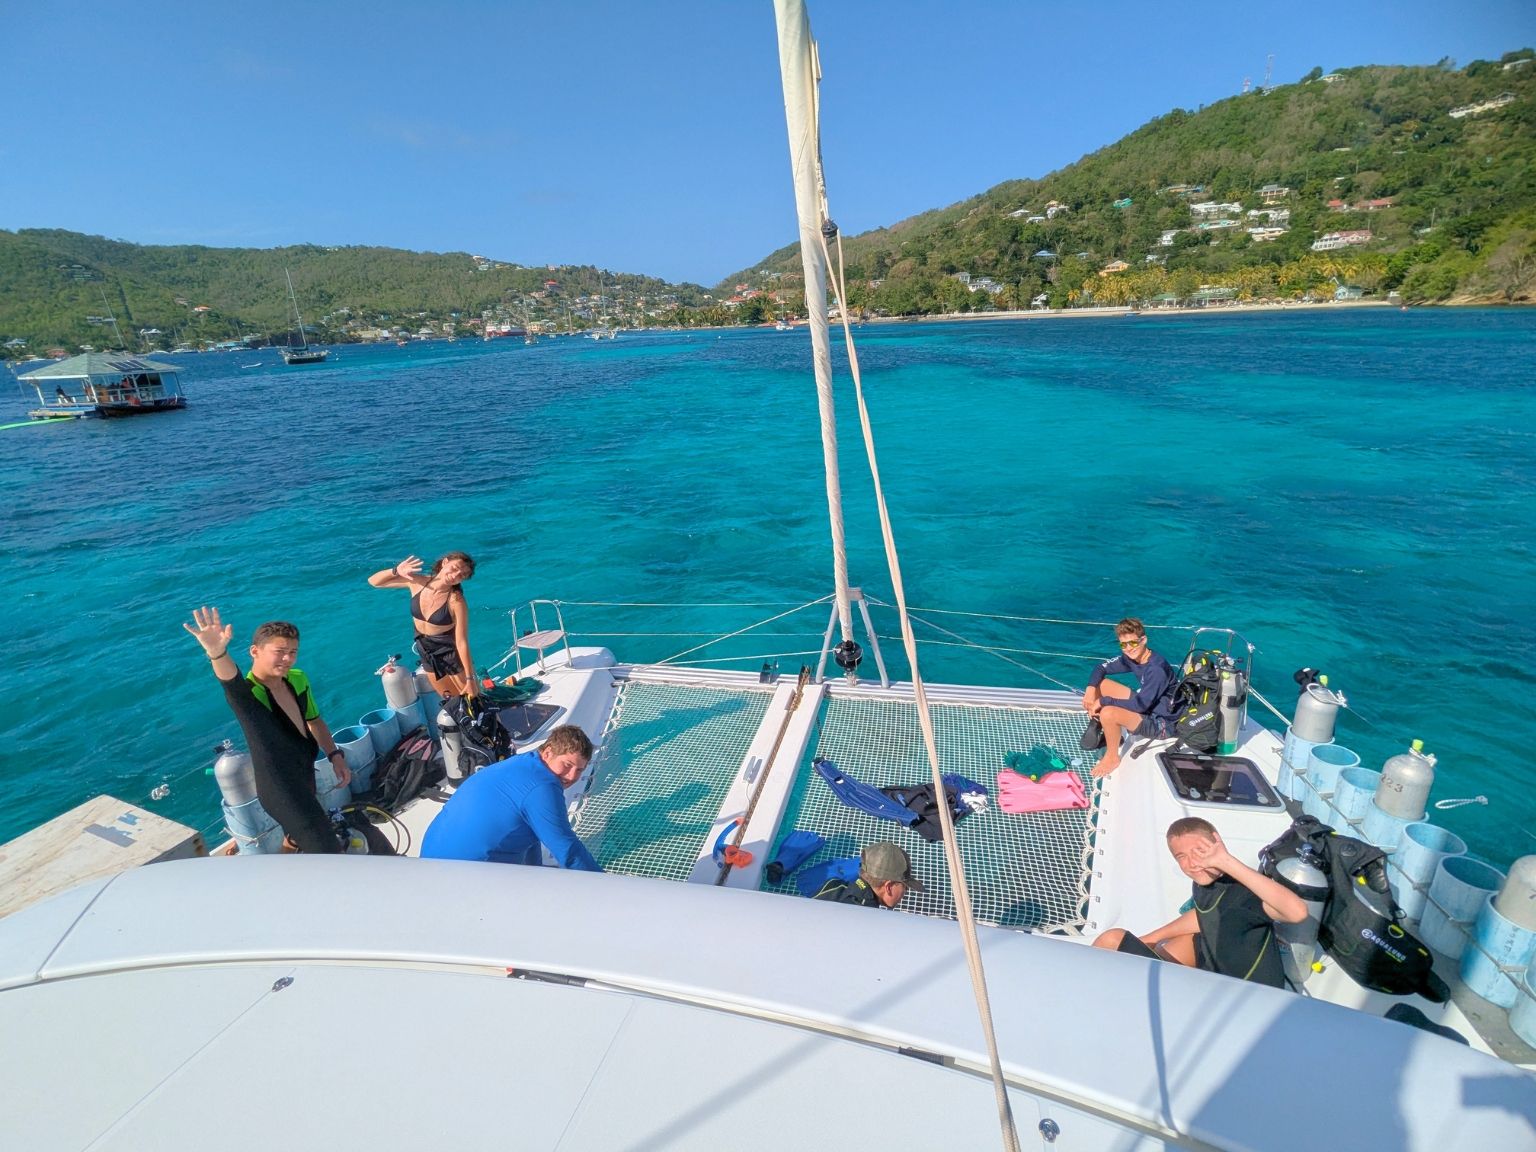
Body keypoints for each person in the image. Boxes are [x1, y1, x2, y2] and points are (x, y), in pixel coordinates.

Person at [184, 607, 348, 854]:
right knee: (328, 851)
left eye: (292, 652)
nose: (287, 658)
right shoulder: (248, 695)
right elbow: (230, 681)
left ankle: (283, 870)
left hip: (305, 775)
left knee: (295, 838)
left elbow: (315, 721)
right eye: (279, 652)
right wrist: (217, 653)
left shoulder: (297, 678)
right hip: (281, 789)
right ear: (255, 651)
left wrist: (335, 756)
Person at [1091, 816, 1307, 988]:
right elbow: (1205, 914)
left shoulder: (1243, 894)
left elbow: (1296, 912)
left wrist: (1227, 862)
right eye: (1181, 856)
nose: (1192, 863)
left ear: (1217, 845)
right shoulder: (1205, 884)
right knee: (1184, 939)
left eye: (1200, 851)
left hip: (1244, 996)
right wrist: (1152, 937)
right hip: (1215, 969)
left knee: (1113, 940)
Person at [420, 724, 603, 870]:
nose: (572, 776)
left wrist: (536, 873)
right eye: (567, 764)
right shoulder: (543, 787)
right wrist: (604, 885)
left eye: (579, 770)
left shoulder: (523, 763)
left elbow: (532, 833)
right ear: (548, 753)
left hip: (429, 859)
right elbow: (568, 850)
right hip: (462, 874)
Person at [368, 552, 479, 699]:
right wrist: (395, 571)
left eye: (462, 575)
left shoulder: (456, 600)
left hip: (449, 651)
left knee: (472, 699)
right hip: (425, 648)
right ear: (445, 562)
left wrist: (470, 679)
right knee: (450, 699)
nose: (456, 575)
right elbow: (374, 581)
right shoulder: (417, 582)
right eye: (455, 568)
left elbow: (461, 641)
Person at [1083, 617, 1177, 777]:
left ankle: (1112, 757)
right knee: (1102, 684)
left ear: (1143, 640)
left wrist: (1103, 701)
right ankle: (1106, 729)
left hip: (1162, 723)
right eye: (1123, 645)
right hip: (1149, 706)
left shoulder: (1156, 669)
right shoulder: (1131, 658)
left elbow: (1141, 706)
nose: (1128, 648)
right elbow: (1101, 667)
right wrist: (1091, 689)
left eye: (1133, 643)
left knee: (1108, 712)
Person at [813, 841, 924, 908]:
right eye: (905, 886)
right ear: (888, 887)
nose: (906, 892)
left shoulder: (833, 886)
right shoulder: (870, 917)